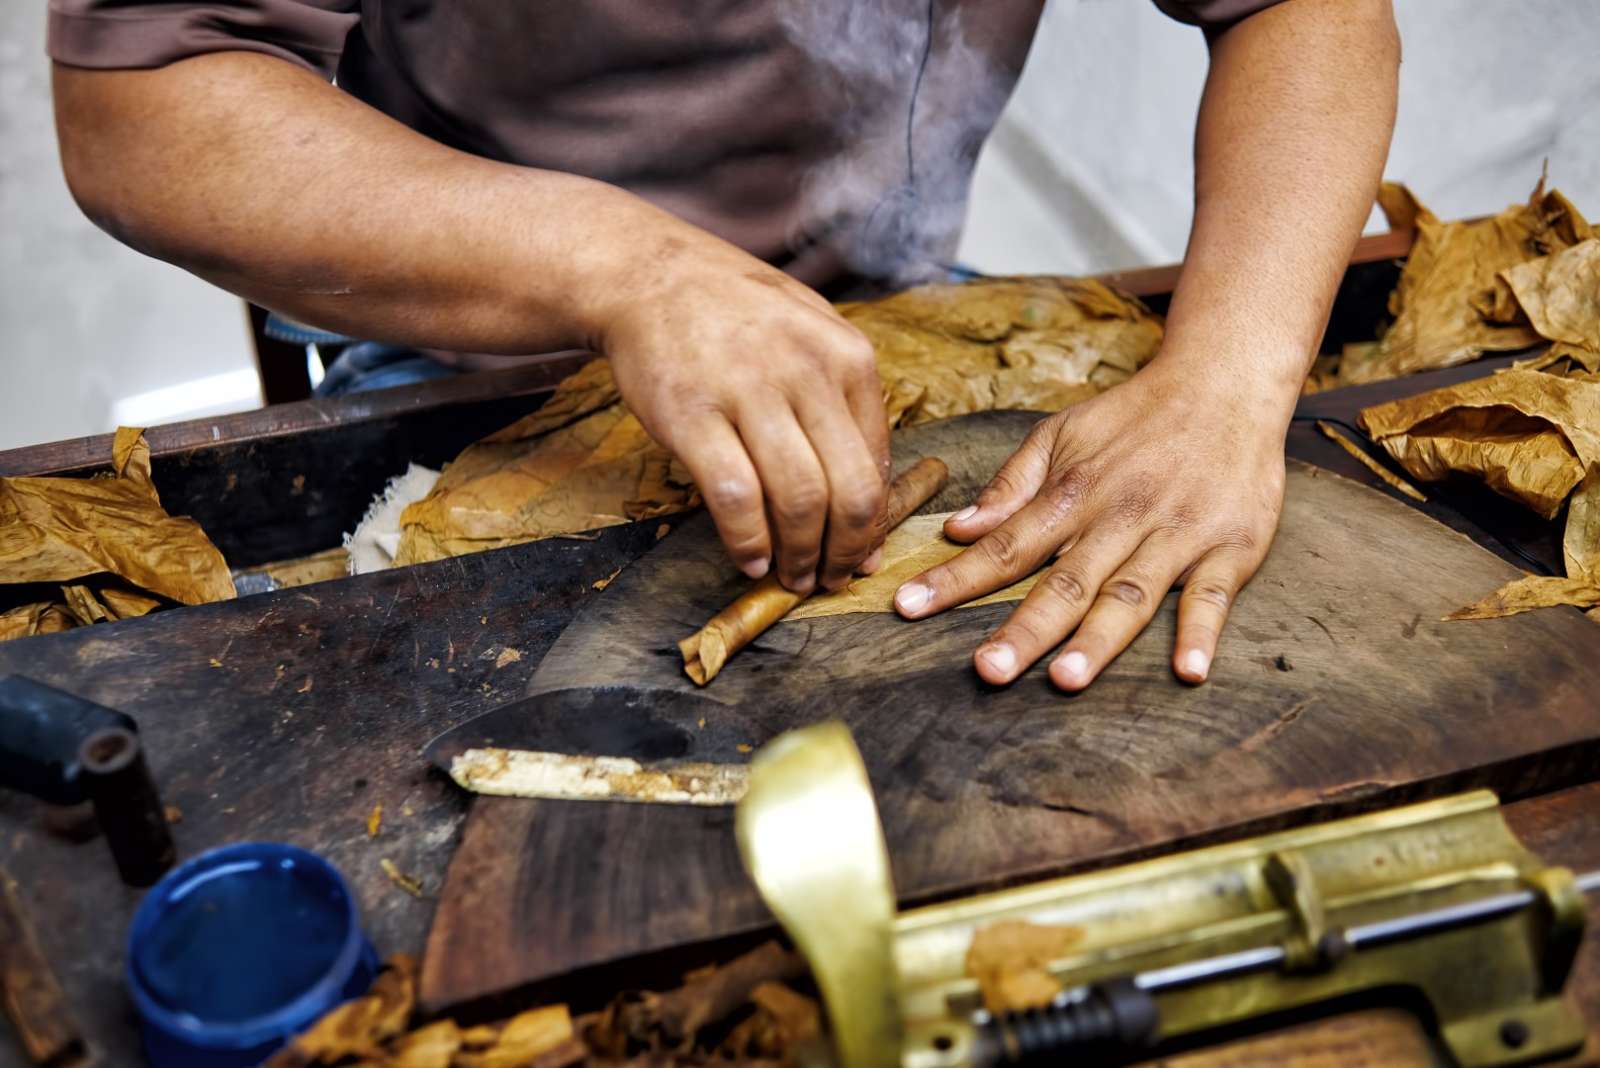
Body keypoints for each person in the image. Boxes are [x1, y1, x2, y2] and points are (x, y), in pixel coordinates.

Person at [48, 0, 1400, 692]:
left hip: (905, 303)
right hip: (492, 329)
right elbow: (144, 112)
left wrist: (1229, 378)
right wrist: (627, 267)